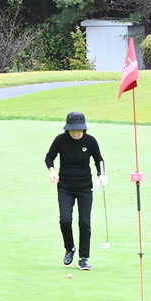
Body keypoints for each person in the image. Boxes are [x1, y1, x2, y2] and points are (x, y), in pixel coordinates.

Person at [45, 112, 105, 271]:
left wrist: (102, 175)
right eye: (73, 131)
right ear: (68, 129)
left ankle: (84, 257)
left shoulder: (90, 141)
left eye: (79, 131)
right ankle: (70, 248)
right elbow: (49, 157)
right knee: (65, 220)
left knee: (84, 222)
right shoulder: (60, 140)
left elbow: (98, 160)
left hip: (85, 188)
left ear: (84, 129)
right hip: (65, 187)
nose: (77, 133)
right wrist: (52, 171)